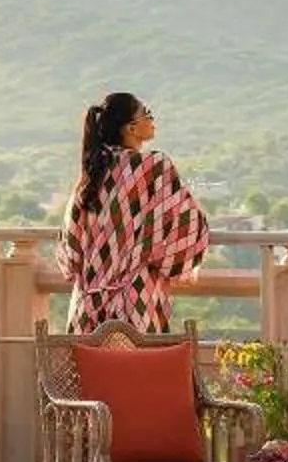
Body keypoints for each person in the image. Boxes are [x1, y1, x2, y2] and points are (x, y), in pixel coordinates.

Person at [58, 90, 212, 335]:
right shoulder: (153, 167)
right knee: (138, 372)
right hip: (136, 300)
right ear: (131, 127)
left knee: (93, 373)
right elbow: (189, 224)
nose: (152, 120)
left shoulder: (91, 173)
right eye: (147, 114)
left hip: (86, 307)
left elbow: (70, 252)